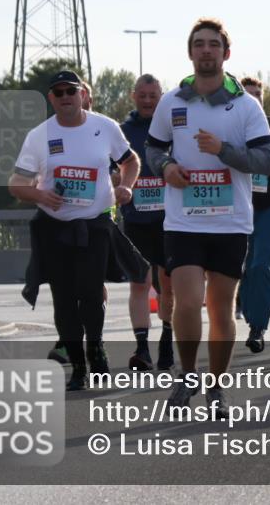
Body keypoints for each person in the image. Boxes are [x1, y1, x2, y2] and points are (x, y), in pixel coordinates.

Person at [145, 18, 270, 414]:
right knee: (186, 302)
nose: (206, 50)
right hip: (183, 221)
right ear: (190, 52)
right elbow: (152, 149)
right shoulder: (172, 102)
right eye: (199, 44)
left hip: (230, 222)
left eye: (213, 45)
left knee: (220, 309)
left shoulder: (245, 106)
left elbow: (267, 161)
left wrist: (223, 150)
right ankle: (187, 376)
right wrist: (166, 167)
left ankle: (216, 387)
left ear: (226, 54)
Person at [10, 71, 142, 391]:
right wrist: (40, 194)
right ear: (51, 99)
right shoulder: (40, 135)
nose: (66, 96)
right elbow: (17, 184)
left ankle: (96, 350)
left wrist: (125, 186)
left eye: (71, 90)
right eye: (58, 92)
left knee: (91, 293)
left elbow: (131, 161)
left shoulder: (105, 127)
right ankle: (79, 368)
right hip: (55, 228)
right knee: (64, 300)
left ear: (83, 94)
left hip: (95, 224)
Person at [120, 74, 175, 371]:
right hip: (136, 218)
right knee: (139, 282)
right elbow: (107, 167)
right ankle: (142, 347)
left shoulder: (173, 131)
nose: (148, 100)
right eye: (142, 95)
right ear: (134, 96)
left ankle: (167, 339)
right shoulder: (123, 131)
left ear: (161, 97)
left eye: (153, 95)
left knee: (168, 284)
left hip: (170, 220)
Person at [237, 76, 270, 353]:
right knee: (240, 267)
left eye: (258, 94)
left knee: (260, 262)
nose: (253, 98)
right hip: (236, 205)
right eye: (248, 94)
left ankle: (259, 327)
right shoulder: (231, 124)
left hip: (267, 204)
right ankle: (244, 304)